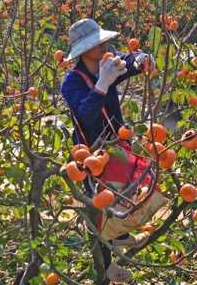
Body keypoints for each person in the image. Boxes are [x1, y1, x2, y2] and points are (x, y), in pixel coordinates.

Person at [60, 18, 151, 284]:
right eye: (95, 44)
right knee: (97, 210)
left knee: (125, 192)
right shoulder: (71, 83)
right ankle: (106, 266)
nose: (103, 46)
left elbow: (131, 59)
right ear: (82, 51)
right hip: (89, 152)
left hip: (115, 144)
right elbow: (87, 116)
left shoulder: (108, 62)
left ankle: (119, 235)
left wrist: (141, 60)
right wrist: (102, 85)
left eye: (102, 41)